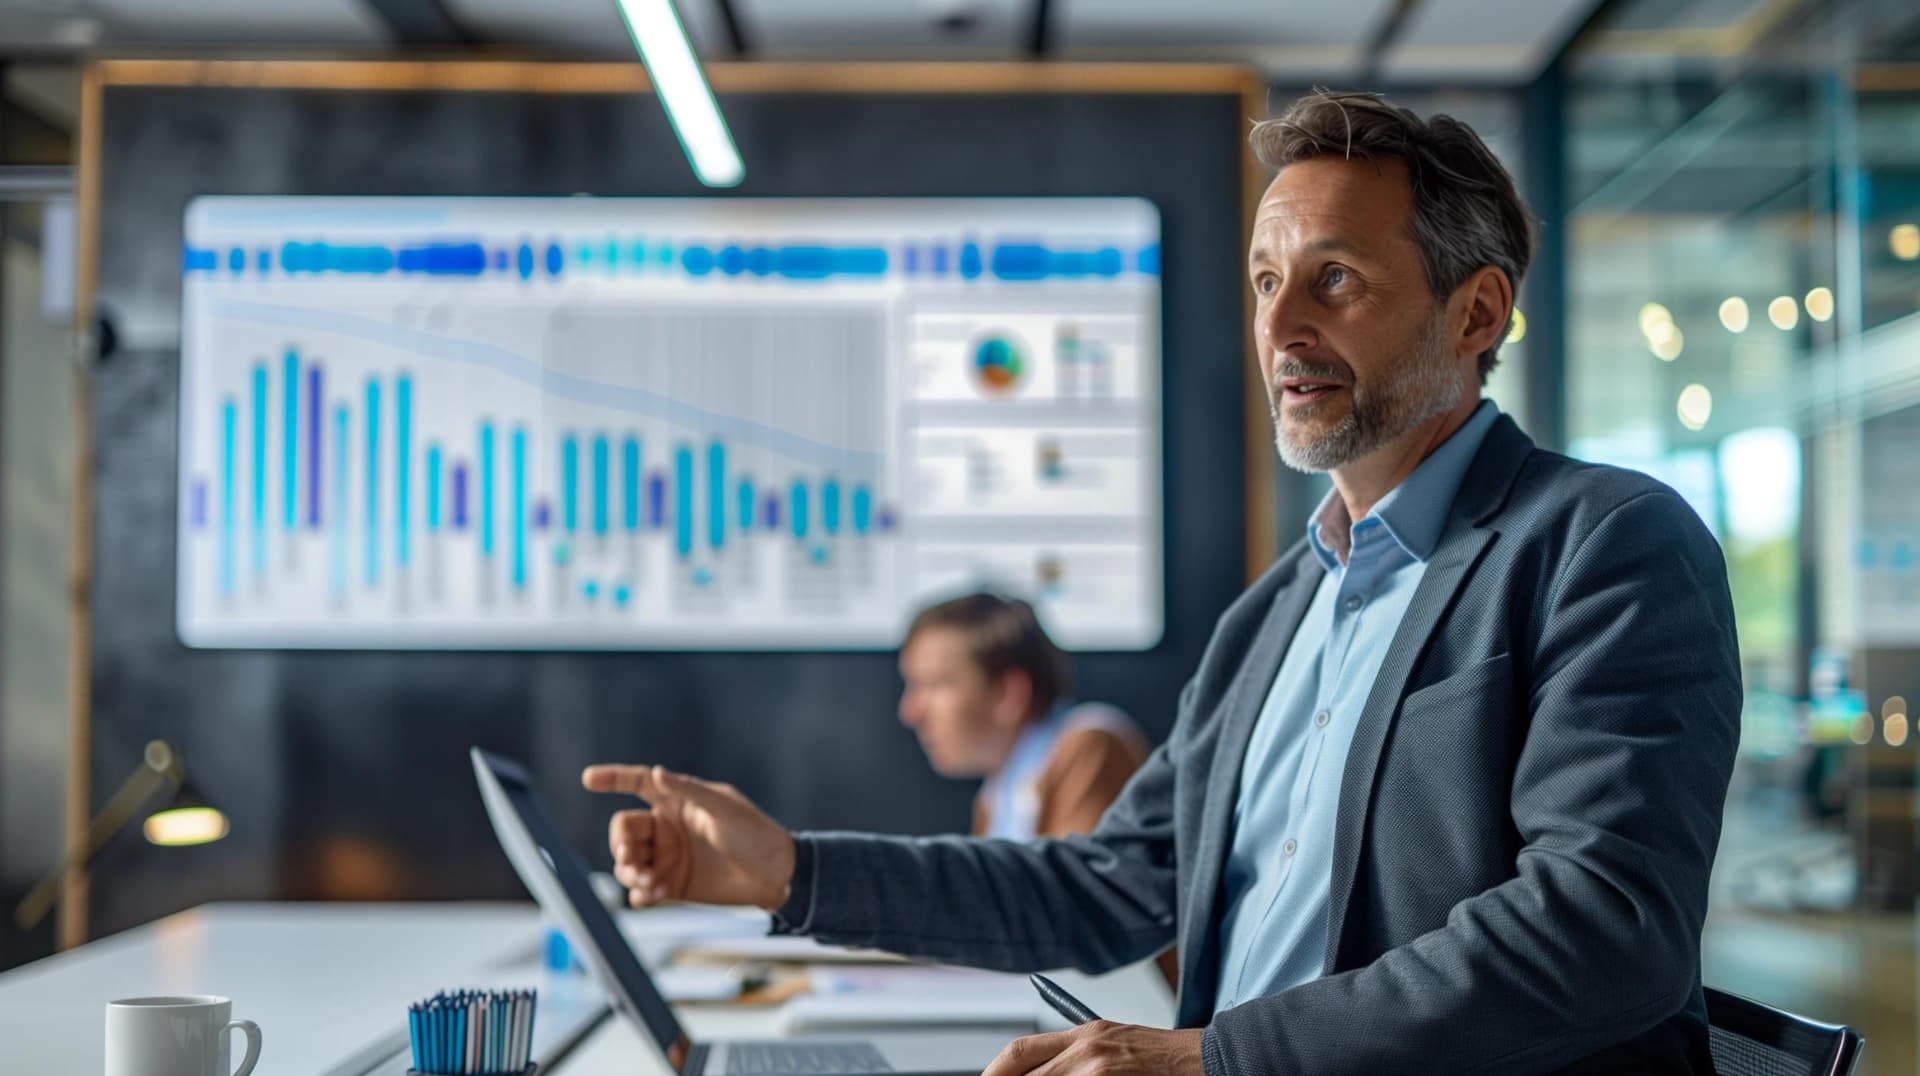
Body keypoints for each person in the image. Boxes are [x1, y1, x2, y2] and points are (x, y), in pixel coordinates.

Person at [583, 89, 1741, 1075]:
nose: (1280, 326)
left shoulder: (1608, 543)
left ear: (1476, 310)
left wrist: (1212, 1057)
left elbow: (1608, 925)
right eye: (1264, 279)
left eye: (1333, 280)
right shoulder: (1277, 614)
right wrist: (792, 870)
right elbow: (1103, 883)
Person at [897, 591, 1149, 841]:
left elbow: (1079, 879)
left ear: (1009, 694)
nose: (911, 712)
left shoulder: (1090, 747)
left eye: (936, 685)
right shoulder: (997, 793)